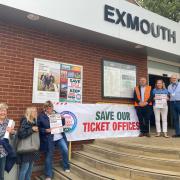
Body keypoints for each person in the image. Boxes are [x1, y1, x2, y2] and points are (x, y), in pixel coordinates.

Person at [37, 101, 70, 180]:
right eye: (48, 107)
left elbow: (62, 124)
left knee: (65, 150)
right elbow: (38, 128)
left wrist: (63, 119)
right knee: (49, 156)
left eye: (51, 107)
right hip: (49, 139)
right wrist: (45, 130)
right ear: (44, 108)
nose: (49, 109)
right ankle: (48, 175)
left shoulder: (56, 114)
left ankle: (66, 166)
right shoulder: (41, 116)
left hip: (59, 137)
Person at [17, 107, 39, 180]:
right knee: (24, 169)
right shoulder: (25, 120)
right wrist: (32, 129)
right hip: (26, 148)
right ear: (29, 113)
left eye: (36, 111)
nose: (36, 113)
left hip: (33, 148)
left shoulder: (34, 121)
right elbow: (21, 134)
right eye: (34, 111)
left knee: (30, 169)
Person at [0, 103, 15, 180]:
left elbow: (12, 137)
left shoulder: (10, 122)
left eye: (4, 110)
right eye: (1, 110)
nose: (2, 112)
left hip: (3, 152)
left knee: (1, 175)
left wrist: (12, 132)